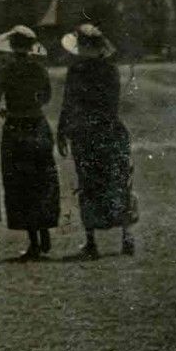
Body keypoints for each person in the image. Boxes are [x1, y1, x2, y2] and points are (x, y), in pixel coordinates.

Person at [57, 23, 137, 259]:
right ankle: (126, 237)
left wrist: (63, 131)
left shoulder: (77, 71)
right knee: (118, 182)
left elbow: (68, 104)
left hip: (85, 134)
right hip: (110, 131)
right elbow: (111, 105)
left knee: (89, 185)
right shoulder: (111, 71)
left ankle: (91, 241)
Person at [0, 24, 60, 260]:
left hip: (16, 130)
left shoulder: (5, 71)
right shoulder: (39, 69)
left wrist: (5, 113)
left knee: (21, 185)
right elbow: (46, 97)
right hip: (38, 126)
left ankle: (33, 241)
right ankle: (45, 228)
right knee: (42, 180)